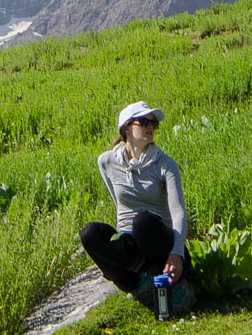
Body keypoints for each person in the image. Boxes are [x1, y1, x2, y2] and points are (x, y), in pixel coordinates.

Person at [83, 100, 194, 314]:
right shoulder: (106, 161)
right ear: (126, 128)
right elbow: (119, 204)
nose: (150, 127)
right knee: (90, 233)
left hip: (161, 244)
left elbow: (178, 211)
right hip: (132, 249)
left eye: (154, 124)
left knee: (142, 222)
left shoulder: (165, 165)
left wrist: (177, 253)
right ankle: (141, 283)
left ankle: (178, 282)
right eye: (144, 122)